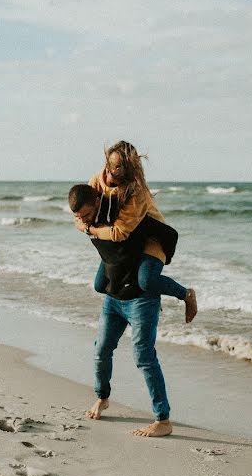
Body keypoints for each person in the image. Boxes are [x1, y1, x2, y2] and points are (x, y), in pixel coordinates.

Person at [68, 183, 173, 437]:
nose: (82, 221)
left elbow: (132, 198)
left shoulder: (123, 213)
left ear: (97, 201)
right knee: (101, 349)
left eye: (85, 214)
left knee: (144, 357)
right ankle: (102, 397)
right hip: (115, 297)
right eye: (78, 216)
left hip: (141, 299)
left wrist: (91, 227)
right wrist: (83, 223)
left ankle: (163, 420)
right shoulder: (90, 217)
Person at [84, 141, 197, 323]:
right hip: (127, 244)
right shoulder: (97, 180)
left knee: (146, 282)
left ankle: (186, 294)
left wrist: (91, 229)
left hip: (151, 239)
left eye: (118, 169)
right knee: (100, 285)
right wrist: (81, 222)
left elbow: (119, 232)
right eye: (110, 166)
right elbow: (82, 206)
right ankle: (131, 306)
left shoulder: (137, 191)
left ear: (129, 170)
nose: (111, 173)